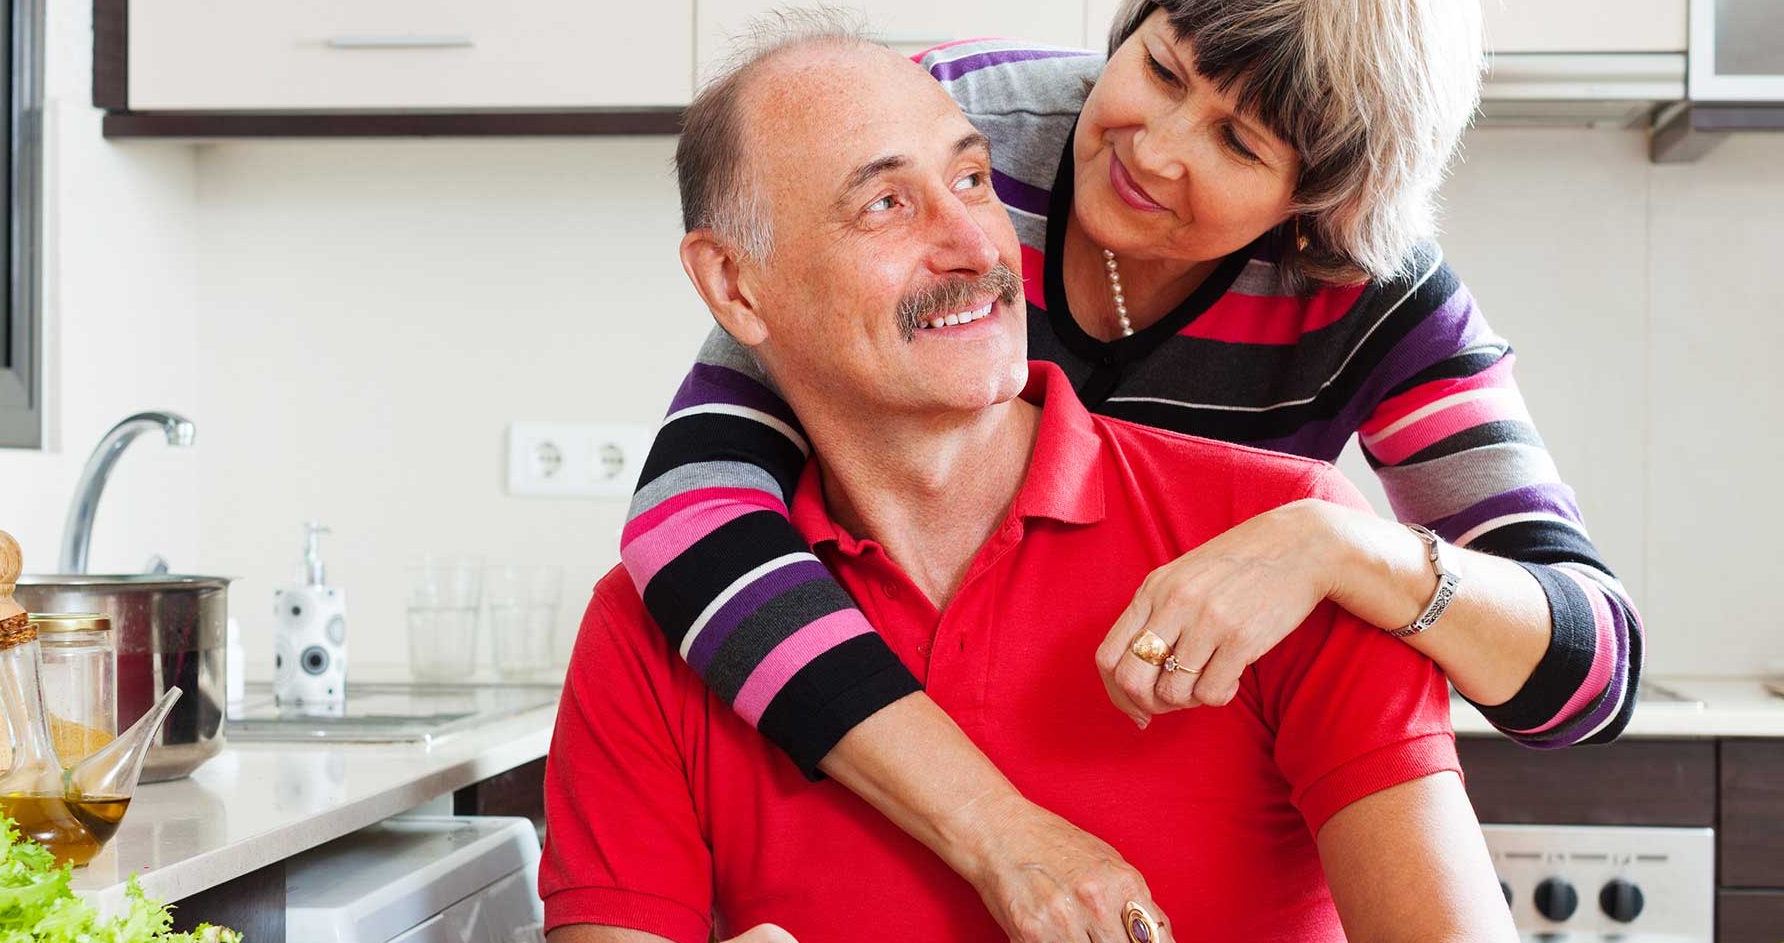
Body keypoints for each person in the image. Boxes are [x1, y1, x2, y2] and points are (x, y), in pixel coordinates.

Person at [621, 2, 1641, 936]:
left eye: (1238, 142)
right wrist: (1003, 836)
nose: (1152, 150)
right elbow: (690, 514)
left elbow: (1591, 669)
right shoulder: (959, 140)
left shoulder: (1372, 286)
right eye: (1159, 69)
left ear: (1318, 199)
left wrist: (1336, 540)